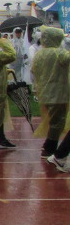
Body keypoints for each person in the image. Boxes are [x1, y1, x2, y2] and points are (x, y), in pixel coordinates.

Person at [30, 26, 70, 158]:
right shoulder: (59, 53)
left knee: (53, 120)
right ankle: (49, 148)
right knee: (58, 121)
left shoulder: (39, 53)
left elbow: (33, 71)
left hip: (44, 92)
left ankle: (48, 145)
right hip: (58, 93)